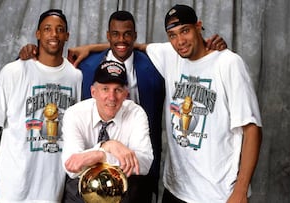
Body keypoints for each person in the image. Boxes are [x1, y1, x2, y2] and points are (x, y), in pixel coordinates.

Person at [19, 10, 226, 202]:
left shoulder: (155, 64)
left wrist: (207, 47)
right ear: (94, 91)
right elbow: (51, 67)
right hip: (87, 176)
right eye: (115, 35)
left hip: (136, 172)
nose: (111, 97)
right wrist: (31, 53)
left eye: (127, 35)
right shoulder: (85, 66)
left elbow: (162, 50)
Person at [70, 4, 263, 203]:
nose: (180, 41)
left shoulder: (229, 63)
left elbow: (252, 130)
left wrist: (240, 188)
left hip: (218, 193)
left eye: (185, 31)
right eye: (172, 35)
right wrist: (90, 48)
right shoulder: (170, 55)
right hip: (176, 189)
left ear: (199, 26)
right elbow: (129, 46)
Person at [0, 9, 82, 203]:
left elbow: (74, 129)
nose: (54, 34)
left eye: (60, 30)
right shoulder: (13, 71)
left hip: (51, 183)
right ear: (38, 33)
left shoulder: (75, 76)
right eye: (47, 29)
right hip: (13, 182)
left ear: (67, 36)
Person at [61, 60, 154, 203]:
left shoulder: (136, 113)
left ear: (126, 94)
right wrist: (108, 147)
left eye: (118, 90)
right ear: (93, 92)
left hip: (121, 192)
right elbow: (72, 167)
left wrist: (101, 155)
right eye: (105, 89)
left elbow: (145, 163)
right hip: (79, 191)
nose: (112, 97)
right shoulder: (75, 114)